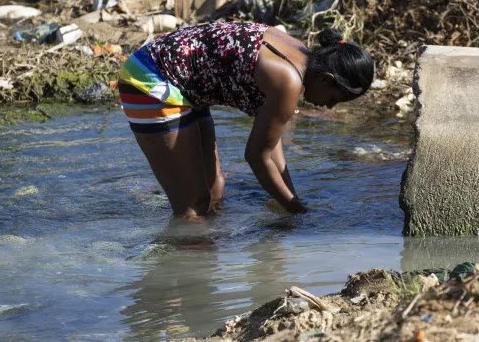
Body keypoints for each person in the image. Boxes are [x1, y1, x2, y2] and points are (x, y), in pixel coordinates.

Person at [116, 22, 374, 219]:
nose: (328, 106)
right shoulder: (288, 81)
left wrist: (288, 198)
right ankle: (182, 280)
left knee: (214, 189)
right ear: (327, 79)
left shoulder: (299, 56)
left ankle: (206, 267)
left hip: (183, 81)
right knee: (192, 209)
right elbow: (256, 156)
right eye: (333, 99)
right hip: (151, 80)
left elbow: (271, 144)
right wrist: (298, 210)